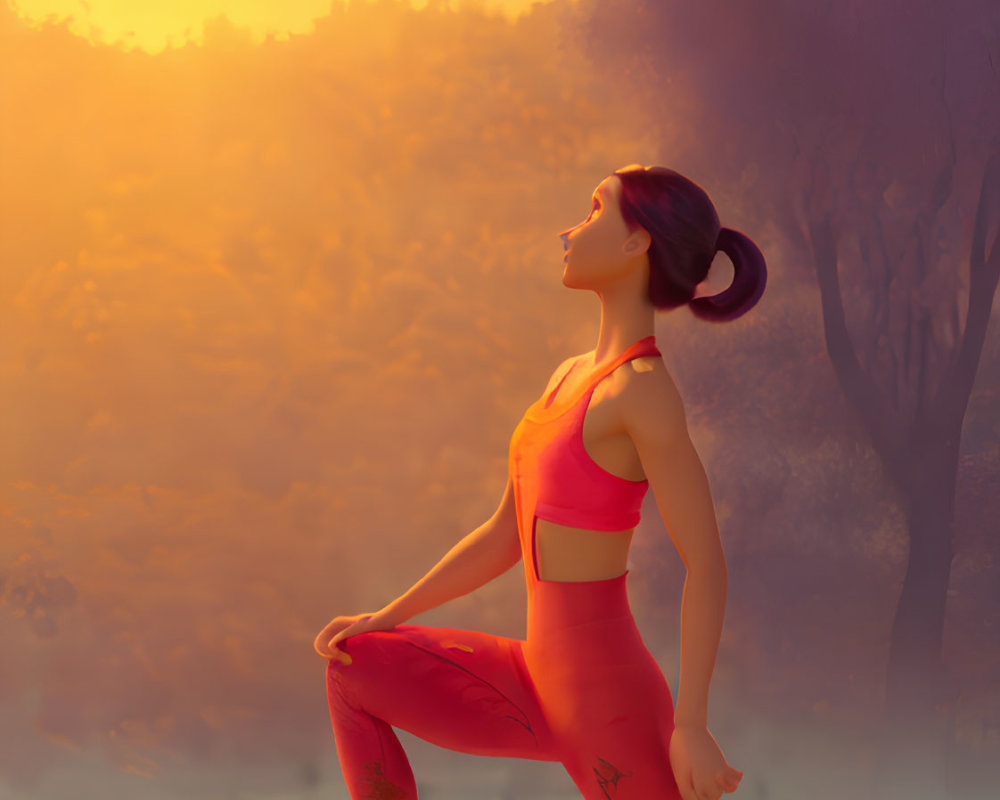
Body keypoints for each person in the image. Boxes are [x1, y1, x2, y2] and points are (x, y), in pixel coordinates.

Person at [314, 163, 767, 800]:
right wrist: (386, 616)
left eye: (593, 211)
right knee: (352, 666)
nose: (569, 230)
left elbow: (707, 565)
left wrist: (691, 724)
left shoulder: (642, 394)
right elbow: (504, 536)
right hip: (531, 678)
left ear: (637, 242)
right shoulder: (567, 376)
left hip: (609, 701)